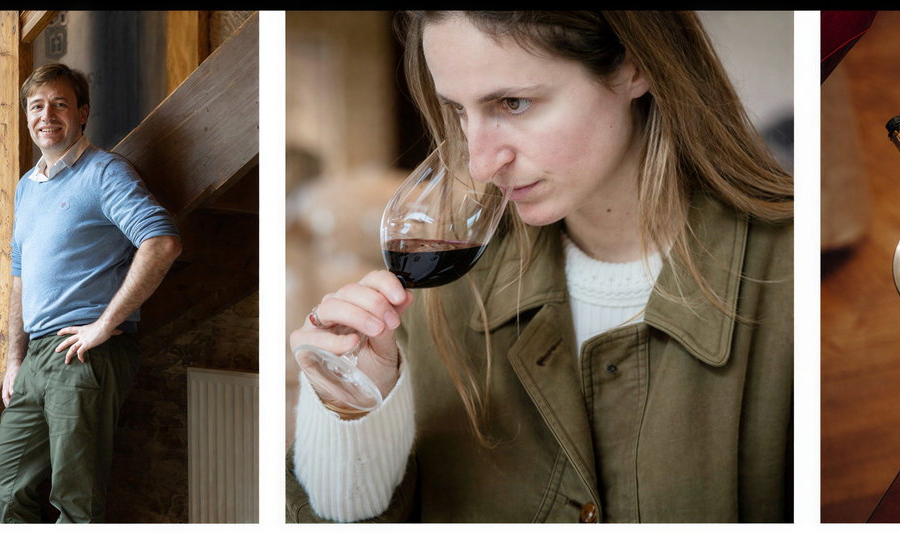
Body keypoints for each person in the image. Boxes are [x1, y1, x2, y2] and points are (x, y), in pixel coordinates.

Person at [287, 11, 793, 523]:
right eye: (459, 112)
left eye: (514, 103)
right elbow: (346, 513)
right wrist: (352, 411)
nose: (481, 164)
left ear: (635, 67)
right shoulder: (451, 290)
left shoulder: (789, 276)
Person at [0, 63, 181, 523]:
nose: (46, 115)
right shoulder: (26, 187)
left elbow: (162, 241)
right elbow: (19, 274)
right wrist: (14, 359)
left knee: (76, 501)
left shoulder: (104, 172)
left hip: (83, 354)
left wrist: (104, 324)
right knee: (5, 487)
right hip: (35, 357)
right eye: (37, 106)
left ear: (82, 113)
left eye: (59, 103)